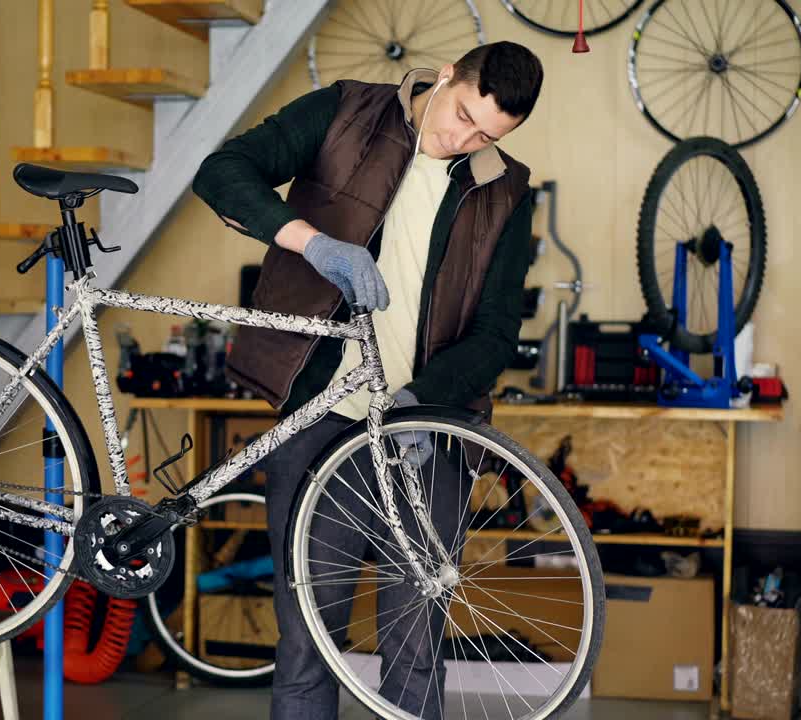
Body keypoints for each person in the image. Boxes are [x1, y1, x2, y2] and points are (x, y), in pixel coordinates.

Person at [192, 40, 544, 720]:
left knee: (415, 645)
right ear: (446, 76)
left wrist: (423, 403)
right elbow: (223, 171)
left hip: (429, 431)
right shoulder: (347, 114)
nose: (462, 139)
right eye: (463, 115)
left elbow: (498, 331)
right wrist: (311, 241)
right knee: (307, 645)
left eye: (487, 134)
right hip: (321, 420)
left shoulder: (506, 190)